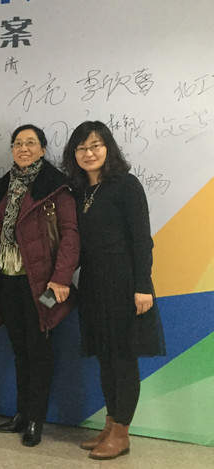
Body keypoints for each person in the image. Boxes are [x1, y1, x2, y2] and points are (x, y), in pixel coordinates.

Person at [62, 121, 165, 460]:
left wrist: (142, 286)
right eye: (81, 148)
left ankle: (122, 433)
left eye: (95, 146)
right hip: (93, 282)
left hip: (124, 282)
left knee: (123, 358)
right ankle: (110, 425)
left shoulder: (126, 185)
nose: (89, 153)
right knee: (105, 358)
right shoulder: (78, 192)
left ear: (109, 148)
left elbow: (141, 240)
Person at [0, 124, 79, 447]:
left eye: (31, 143)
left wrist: (61, 278)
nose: (23, 148)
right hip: (7, 280)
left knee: (39, 351)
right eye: (18, 143)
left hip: (41, 284)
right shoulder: (2, 188)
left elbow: (70, 236)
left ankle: (37, 419)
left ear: (43, 149)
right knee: (20, 350)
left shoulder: (57, 188)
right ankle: (22, 414)